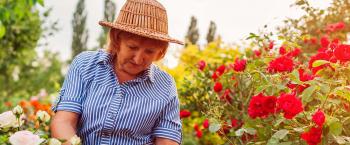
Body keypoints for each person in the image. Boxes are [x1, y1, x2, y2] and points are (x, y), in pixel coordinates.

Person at [50, 0, 184, 144]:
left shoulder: (165, 85)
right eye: (132, 47)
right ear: (116, 39)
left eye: (149, 52)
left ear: (160, 52)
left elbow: (166, 140)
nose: (138, 59)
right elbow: (64, 122)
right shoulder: (85, 65)